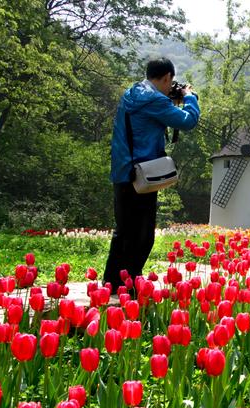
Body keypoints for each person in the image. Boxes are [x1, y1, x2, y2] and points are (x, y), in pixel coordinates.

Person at [103, 57, 200, 293]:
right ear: (167, 77)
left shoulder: (132, 93)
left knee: (124, 231)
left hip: (123, 171)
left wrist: (169, 98)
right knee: (143, 236)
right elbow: (188, 121)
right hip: (142, 175)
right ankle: (130, 285)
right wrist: (189, 98)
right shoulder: (155, 100)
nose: (171, 87)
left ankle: (112, 285)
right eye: (171, 83)